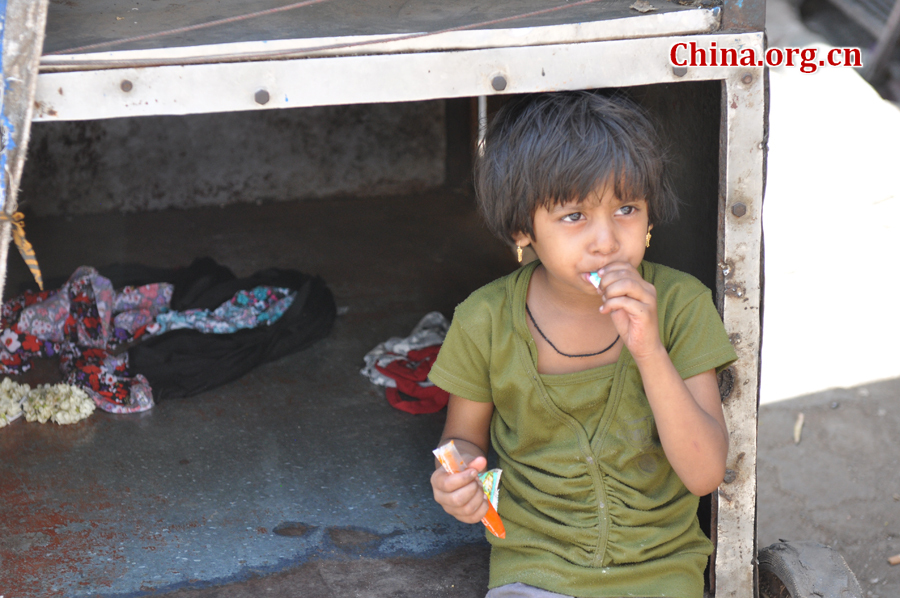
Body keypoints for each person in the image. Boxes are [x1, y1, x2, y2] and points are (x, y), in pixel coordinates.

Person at [428, 91, 737, 598]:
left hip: (660, 573)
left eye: (626, 209)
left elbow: (704, 474)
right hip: (535, 571)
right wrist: (458, 482)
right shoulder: (484, 319)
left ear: (651, 219)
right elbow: (463, 442)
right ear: (522, 229)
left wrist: (648, 349)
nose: (606, 241)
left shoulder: (680, 304)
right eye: (574, 216)